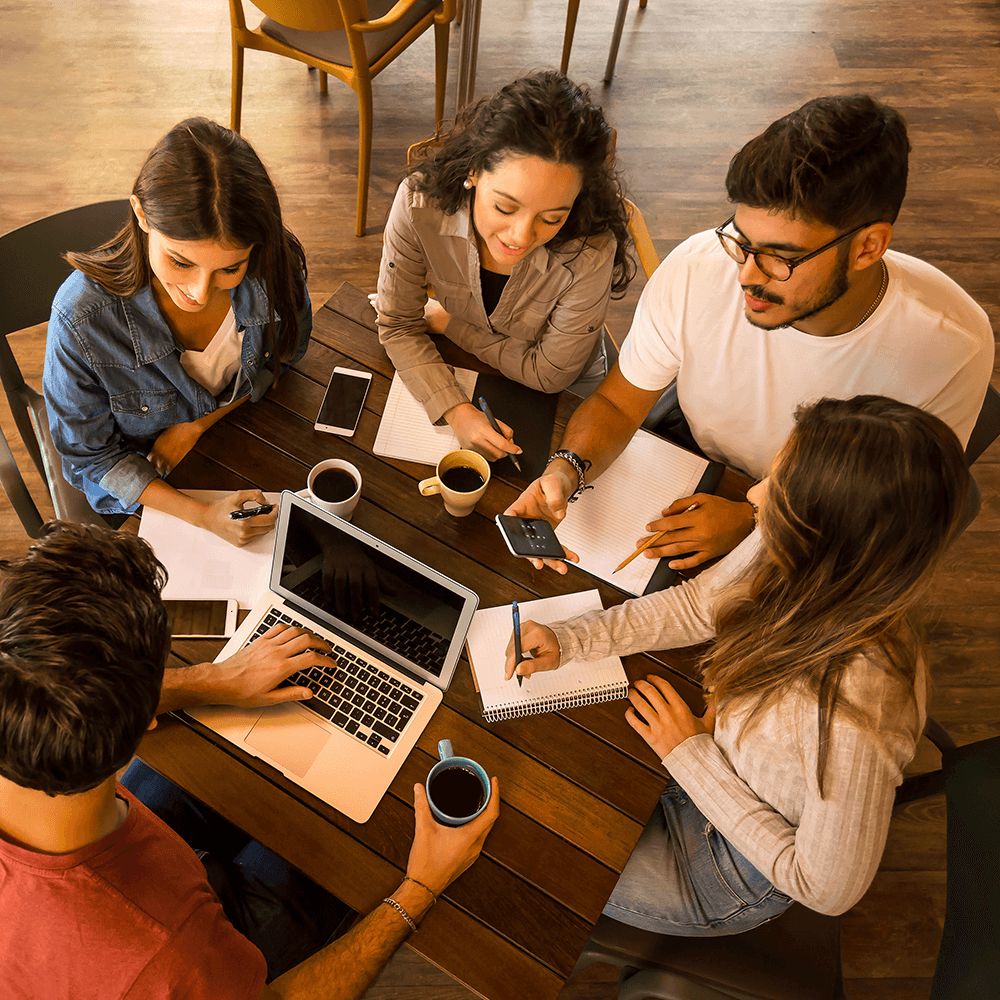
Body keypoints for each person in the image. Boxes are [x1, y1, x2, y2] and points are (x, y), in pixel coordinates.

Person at [504, 396, 965, 932]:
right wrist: (574, 640)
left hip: (730, 862)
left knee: (523, 847)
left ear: (829, 533)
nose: (753, 495)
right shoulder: (809, 547)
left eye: (779, 489)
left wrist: (691, 756)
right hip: (709, 748)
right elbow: (701, 605)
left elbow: (826, 888)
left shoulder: (859, 712)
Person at [0, 521, 500, 999]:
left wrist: (212, 681)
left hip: (120, 872)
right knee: (327, 859)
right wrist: (420, 888)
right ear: (142, 724)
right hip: (197, 960)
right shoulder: (166, 958)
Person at [506, 94, 993, 572]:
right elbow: (617, 403)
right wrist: (565, 468)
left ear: (868, 247)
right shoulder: (701, 267)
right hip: (697, 454)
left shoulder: (951, 345)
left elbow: (892, 510)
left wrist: (754, 518)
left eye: (781, 256)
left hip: (817, 513)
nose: (744, 276)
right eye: (741, 240)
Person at [44, 117, 313, 547]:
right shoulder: (81, 319)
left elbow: (287, 351)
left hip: (238, 437)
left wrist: (197, 425)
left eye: (230, 268)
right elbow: (91, 460)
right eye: (181, 262)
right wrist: (202, 516)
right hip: (148, 488)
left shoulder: (273, 261)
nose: (200, 292)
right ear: (141, 214)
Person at [373, 71, 635, 460]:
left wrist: (449, 323)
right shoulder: (418, 206)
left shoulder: (590, 251)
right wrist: (456, 410)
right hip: (483, 372)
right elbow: (396, 325)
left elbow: (550, 376)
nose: (521, 237)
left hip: (570, 393)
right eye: (505, 207)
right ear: (474, 171)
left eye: (552, 218)